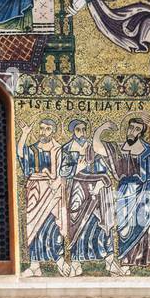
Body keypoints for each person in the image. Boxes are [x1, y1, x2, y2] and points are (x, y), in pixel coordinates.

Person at [99, 117, 150, 273]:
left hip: (145, 193)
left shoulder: (147, 150)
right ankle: (125, 263)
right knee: (124, 228)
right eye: (131, 127)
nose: (133, 131)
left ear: (141, 133)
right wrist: (101, 129)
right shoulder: (119, 149)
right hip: (124, 193)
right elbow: (98, 148)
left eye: (138, 129)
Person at [59, 118, 123, 276]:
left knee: (101, 223)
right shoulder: (66, 148)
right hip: (78, 188)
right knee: (75, 220)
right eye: (78, 129)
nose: (81, 132)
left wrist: (103, 182)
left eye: (83, 129)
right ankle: (76, 261)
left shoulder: (94, 147)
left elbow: (105, 168)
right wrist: (77, 168)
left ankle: (109, 261)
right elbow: (62, 171)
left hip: (97, 188)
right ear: (73, 131)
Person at [18, 119, 67, 276]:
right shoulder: (33, 149)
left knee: (52, 225)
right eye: (41, 128)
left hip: (52, 191)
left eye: (47, 129)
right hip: (35, 190)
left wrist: (58, 181)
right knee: (33, 226)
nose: (43, 132)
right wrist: (24, 134)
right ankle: (34, 265)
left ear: (52, 131)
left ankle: (58, 259)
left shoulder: (58, 149)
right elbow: (20, 154)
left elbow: (65, 170)